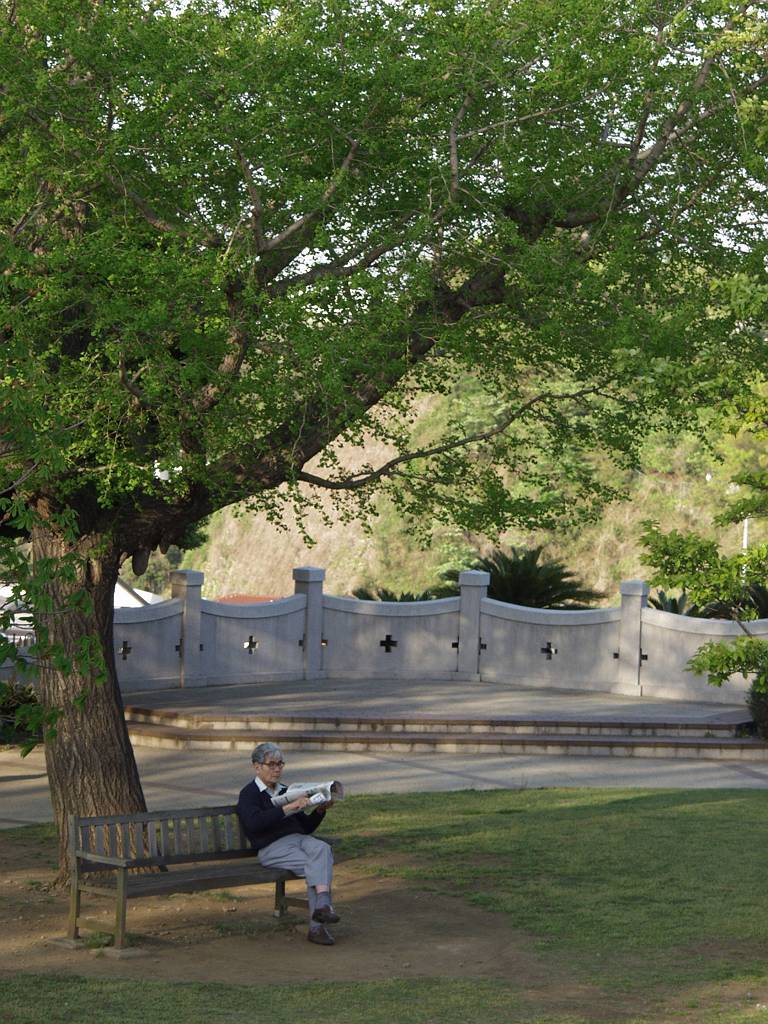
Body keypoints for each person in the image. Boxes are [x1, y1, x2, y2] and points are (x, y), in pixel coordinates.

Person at [236, 742, 339, 946]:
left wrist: (320, 810)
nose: (277, 769)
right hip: (271, 847)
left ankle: (323, 907)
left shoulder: (287, 790)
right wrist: (288, 807)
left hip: (299, 840)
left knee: (322, 849)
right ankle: (318, 925)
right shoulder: (249, 794)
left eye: (280, 764)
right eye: (271, 764)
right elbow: (254, 824)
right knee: (318, 865)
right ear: (257, 767)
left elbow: (306, 827)